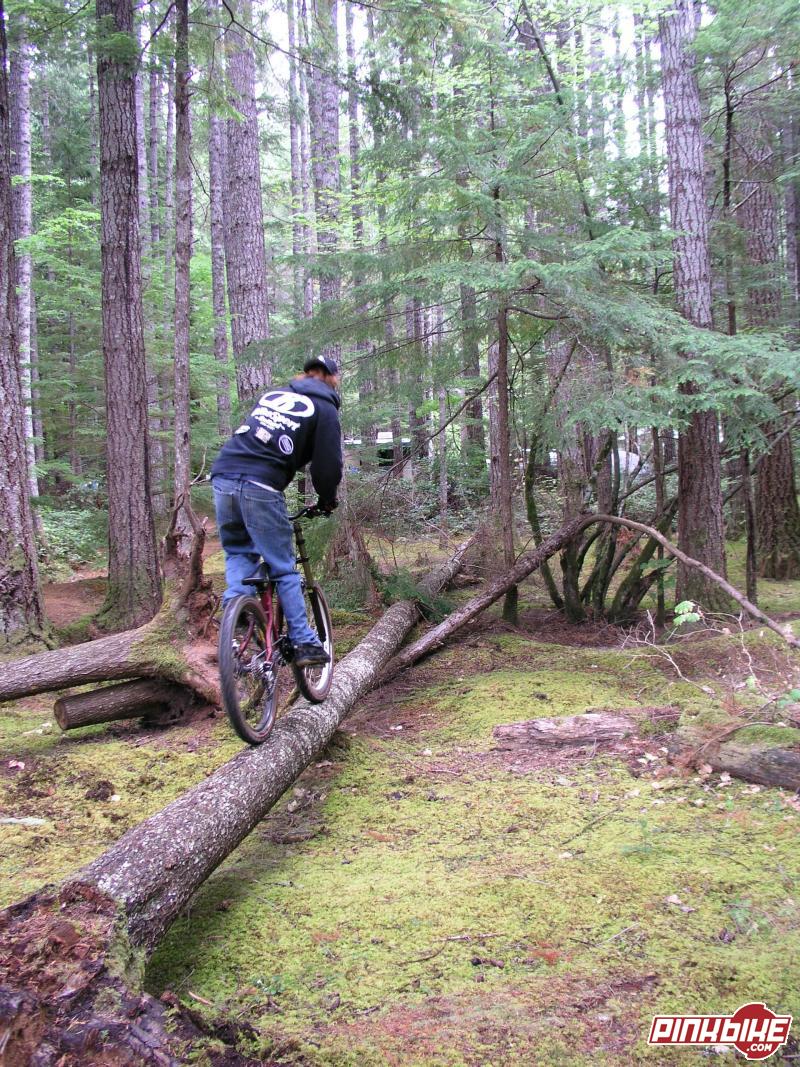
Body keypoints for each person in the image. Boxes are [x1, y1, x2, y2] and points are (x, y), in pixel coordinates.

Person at [210, 355, 343, 666]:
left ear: (307, 374)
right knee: (282, 567)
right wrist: (326, 499)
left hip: (224, 475)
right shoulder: (324, 409)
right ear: (331, 378)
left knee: (239, 551)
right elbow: (328, 466)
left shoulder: (272, 395)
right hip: (261, 484)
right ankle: (305, 643)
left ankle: (236, 610)